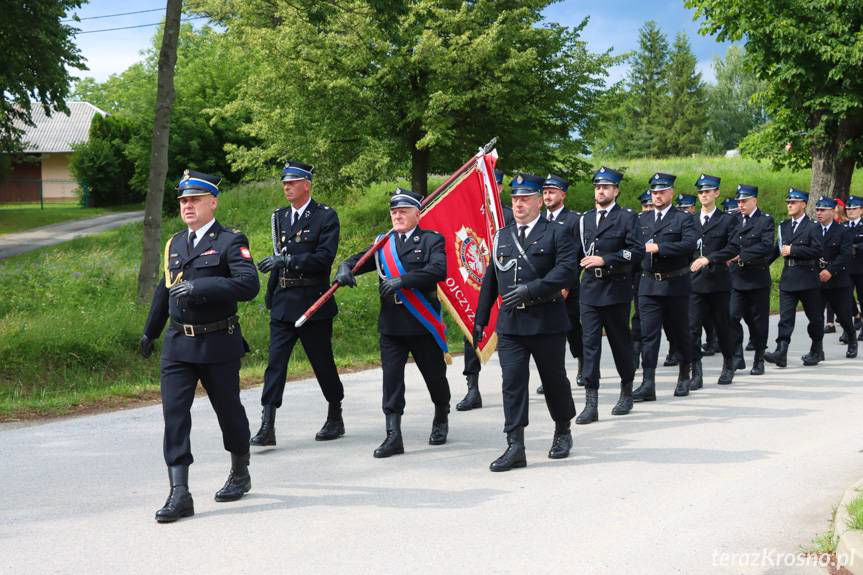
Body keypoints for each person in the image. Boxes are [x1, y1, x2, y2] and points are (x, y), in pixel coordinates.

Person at [140, 170, 260, 523]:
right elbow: (165, 290)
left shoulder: (230, 241)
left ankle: (240, 469)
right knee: (174, 415)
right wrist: (151, 331)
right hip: (178, 344)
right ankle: (180, 492)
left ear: (213, 202)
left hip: (217, 342)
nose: (187, 206)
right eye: (183, 201)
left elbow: (248, 285)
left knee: (228, 411)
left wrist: (201, 288)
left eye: (194, 200)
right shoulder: (175, 243)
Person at [473, 173, 578, 471]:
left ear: (537, 200)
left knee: (554, 380)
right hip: (511, 324)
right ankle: (515, 445)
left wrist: (532, 289)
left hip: (547, 320)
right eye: (515, 199)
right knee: (513, 384)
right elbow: (490, 279)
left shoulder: (557, 232)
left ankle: (562, 429)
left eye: (525, 199)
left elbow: (567, 271)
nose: (518, 204)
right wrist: (480, 319)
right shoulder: (501, 236)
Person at [335, 188, 451, 458]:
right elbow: (359, 261)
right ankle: (393, 435)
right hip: (392, 324)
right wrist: (344, 267)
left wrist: (404, 280)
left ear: (416, 214)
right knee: (391, 381)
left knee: (434, 376)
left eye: (403, 211)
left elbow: (438, 270)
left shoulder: (432, 240)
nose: (397, 216)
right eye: (394, 212)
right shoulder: (383, 243)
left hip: (422, 323)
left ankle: (441, 415)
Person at [250, 161, 344, 447]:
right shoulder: (279, 216)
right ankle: (267, 424)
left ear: (307, 184)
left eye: (292, 182)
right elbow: (280, 256)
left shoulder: (324, 217)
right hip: (283, 301)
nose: (287, 187)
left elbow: (323, 259)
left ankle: (334, 413)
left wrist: (288, 260)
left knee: (322, 363)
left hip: (312, 302)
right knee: (275, 364)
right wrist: (271, 291)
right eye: (284, 183)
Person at [577, 167, 643, 423]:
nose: (600, 191)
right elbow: (575, 254)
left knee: (619, 342)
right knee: (590, 345)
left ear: (616, 190)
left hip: (616, 289)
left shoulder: (627, 218)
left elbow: (635, 251)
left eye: (605, 187)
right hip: (590, 290)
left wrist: (606, 259)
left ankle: (626, 389)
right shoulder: (585, 219)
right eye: (597, 187)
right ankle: (590, 402)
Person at [633, 173, 698, 401]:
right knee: (648, 335)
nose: (657, 195)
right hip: (648, 284)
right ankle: (647, 383)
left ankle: (683, 376)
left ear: (671, 192)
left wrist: (660, 247)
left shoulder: (683, 218)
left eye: (662, 191)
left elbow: (689, 244)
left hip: (675, 285)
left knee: (680, 333)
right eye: (654, 192)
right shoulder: (642, 219)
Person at [457, 169, 513, 411]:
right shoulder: (468, 214)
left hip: (507, 284)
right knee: (471, 333)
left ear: (499, 188)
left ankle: (511, 385)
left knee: (512, 338)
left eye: (495, 185)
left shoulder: (509, 216)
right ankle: (472, 388)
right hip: (476, 282)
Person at [762, 188, 823, 368]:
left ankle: (816, 348)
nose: (789, 205)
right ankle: (781, 351)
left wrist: (794, 250)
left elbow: (818, 250)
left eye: (794, 202)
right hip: (789, 278)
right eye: (788, 202)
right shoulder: (783, 226)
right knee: (785, 318)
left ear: (803, 204)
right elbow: (777, 249)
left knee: (815, 318)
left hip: (808, 278)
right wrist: (761, 264)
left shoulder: (812, 226)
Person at [688, 174, 738, 388]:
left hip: (718, 282)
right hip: (693, 283)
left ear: (716, 193)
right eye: (700, 192)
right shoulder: (689, 219)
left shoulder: (727, 219)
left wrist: (709, 258)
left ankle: (728, 364)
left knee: (722, 326)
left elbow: (734, 247)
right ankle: (695, 372)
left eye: (707, 191)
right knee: (692, 328)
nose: (704, 195)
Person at [537, 173, 583, 396]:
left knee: (572, 329)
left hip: (567, 288)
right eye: (545, 192)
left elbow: (575, 257)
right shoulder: (539, 219)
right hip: (544, 287)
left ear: (563, 195)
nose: (547, 196)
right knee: (547, 334)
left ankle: (582, 361)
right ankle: (552, 375)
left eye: (552, 192)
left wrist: (566, 285)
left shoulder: (574, 220)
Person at [728, 184, 774, 376]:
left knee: (758, 322)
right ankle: (737, 354)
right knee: (731, 317)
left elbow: (766, 246)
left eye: (744, 201)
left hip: (757, 278)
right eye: (739, 201)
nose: (741, 204)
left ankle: (759, 358)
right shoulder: (734, 220)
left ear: (754, 201)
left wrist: (742, 255)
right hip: (736, 278)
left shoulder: (765, 221)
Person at [814, 196, 858, 359]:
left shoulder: (843, 230)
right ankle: (817, 350)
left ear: (833, 211)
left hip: (838, 281)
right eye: (817, 209)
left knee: (844, 315)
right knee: (816, 317)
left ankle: (852, 340)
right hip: (817, 280)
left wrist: (830, 270)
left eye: (823, 210)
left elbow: (845, 254)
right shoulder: (813, 230)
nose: (819, 213)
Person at [630, 191, 654, 370]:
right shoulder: (637, 221)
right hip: (640, 274)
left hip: (661, 275)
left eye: (650, 206)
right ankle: (636, 352)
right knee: (639, 316)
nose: (648, 209)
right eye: (645, 206)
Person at [845, 196, 863, 339]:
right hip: (847, 268)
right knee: (846, 297)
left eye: (854, 208)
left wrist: (856, 247)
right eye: (848, 208)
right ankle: (849, 327)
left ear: (861, 210)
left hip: (861, 268)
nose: (850, 211)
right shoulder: (842, 227)